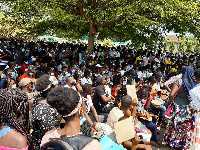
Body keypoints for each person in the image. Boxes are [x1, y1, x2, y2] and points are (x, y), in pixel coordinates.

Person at [163, 66, 196, 149]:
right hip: (188, 108)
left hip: (177, 106)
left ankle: (172, 142)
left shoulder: (179, 81)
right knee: (184, 126)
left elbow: (171, 94)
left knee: (175, 124)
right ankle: (181, 143)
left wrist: (170, 102)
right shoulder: (193, 83)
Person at [32, 75, 62, 150]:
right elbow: (49, 135)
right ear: (51, 89)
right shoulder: (43, 110)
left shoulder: (39, 100)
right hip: (47, 144)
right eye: (55, 85)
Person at [190, 68, 200, 149]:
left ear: (195, 78)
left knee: (197, 135)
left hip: (198, 116)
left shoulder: (193, 91)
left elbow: (194, 106)